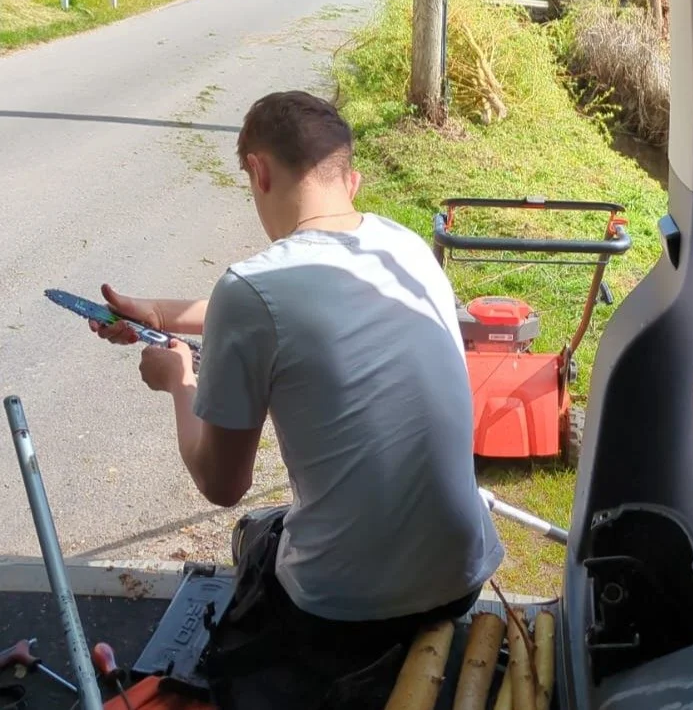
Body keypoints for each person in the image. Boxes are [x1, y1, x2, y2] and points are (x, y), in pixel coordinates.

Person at [92, 90, 503, 703]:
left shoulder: (249, 292)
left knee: (256, 535)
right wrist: (157, 314)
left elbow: (221, 485)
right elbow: (281, 301)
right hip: (463, 573)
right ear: (350, 180)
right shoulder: (406, 249)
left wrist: (179, 382)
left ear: (258, 170)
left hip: (343, 609)